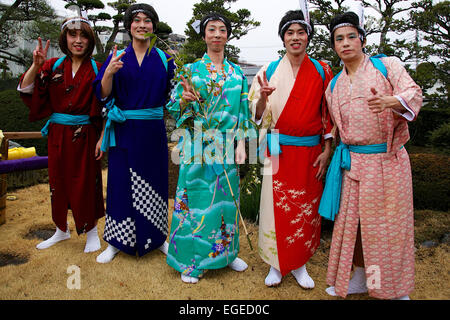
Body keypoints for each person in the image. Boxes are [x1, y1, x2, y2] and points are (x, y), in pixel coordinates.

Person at [320, 10, 422, 300]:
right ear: (335, 45)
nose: (346, 43)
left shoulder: (387, 66)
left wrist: (393, 101)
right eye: (339, 39)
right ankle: (364, 279)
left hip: (387, 161)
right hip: (352, 164)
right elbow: (333, 127)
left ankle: (393, 288)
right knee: (356, 230)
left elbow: (413, 93)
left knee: (388, 231)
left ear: (362, 40)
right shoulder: (333, 85)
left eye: (352, 36)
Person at [248, 8, 333, 288]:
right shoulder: (268, 71)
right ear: (282, 38)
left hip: (310, 151)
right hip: (277, 148)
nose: (295, 37)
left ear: (308, 37)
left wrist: (327, 149)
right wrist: (261, 99)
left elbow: (330, 114)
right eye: (289, 33)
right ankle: (275, 263)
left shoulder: (322, 70)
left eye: (301, 32)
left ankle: (299, 263)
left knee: (306, 208)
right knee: (274, 209)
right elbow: (257, 115)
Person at [166, 12, 250, 284]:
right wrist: (184, 101)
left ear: (228, 35)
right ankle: (192, 263)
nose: (216, 34)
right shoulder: (190, 70)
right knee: (196, 205)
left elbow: (243, 110)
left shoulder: (237, 73)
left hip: (226, 147)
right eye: (211, 29)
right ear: (203, 36)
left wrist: (241, 144)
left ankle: (227, 254)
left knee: (226, 203)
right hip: (197, 144)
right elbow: (174, 107)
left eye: (222, 29)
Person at [93, 3, 175, 263]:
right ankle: (117, 242)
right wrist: (107, 73)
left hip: (153, 132)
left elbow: (172, 98)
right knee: (120, 186)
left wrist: (186, 95)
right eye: (136, 20)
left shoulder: (164, 58)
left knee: (156, 183)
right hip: (125, 130)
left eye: (147, 20)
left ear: (154, 25)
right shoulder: (118, 56)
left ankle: (159, 237)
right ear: (129, 26)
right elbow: (103, 95)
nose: (142, 25)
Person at [17, 16, 105, 253]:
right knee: (57, 182)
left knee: (87, 183)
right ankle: (61, 230)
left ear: (90, 40)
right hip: (57, 135)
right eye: (73, 35)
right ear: (64, 38)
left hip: (85, 134)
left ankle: (92, 232)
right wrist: (36, 65)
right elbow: (27, 89)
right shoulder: (52, 66)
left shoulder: (98, 69)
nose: (78, 41)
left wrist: (102, 138)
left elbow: (107, 106)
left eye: (83, 36)